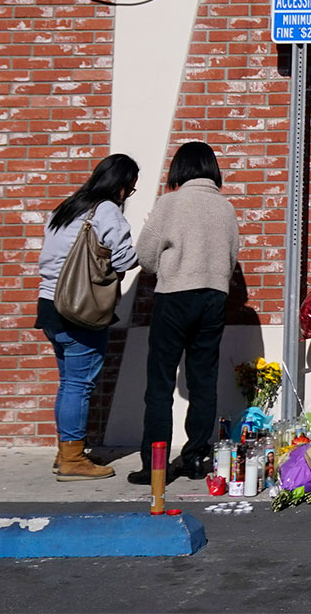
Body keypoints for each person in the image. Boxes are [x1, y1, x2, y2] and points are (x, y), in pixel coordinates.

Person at [127, 140, 240, 484]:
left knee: (160, 384)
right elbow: (232, 258)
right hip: (214, 297)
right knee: (203, 381)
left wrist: (168, 264)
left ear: (180, 170)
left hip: (174, 295)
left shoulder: (170, 203)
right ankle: (195, 458)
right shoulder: (226, 209)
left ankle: (155, 466)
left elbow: (144, 255)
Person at [37, 153, 140, 481]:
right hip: (80, 308)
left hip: (49, 306)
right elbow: (124, 260)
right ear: (121, 186)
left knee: (68, 383)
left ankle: (64, 451)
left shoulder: (65, 208)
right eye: (131, 189)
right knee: (79, 385)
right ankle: (73, 459)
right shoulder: (106, 210)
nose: (128, 195)